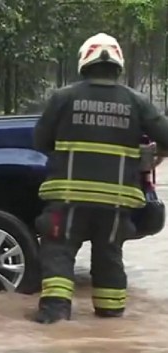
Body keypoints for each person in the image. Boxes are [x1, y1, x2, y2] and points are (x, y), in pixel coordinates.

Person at [33, 33, 168, 324]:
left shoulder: (63, 98)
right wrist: (158, 153)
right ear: (118, 65)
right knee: (109, 258)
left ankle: (55, 321)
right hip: (116, 206)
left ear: (84, 62)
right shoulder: (137, 101)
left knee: (58, 254)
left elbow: (40, 140)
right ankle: (110, 319)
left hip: (67, 201)